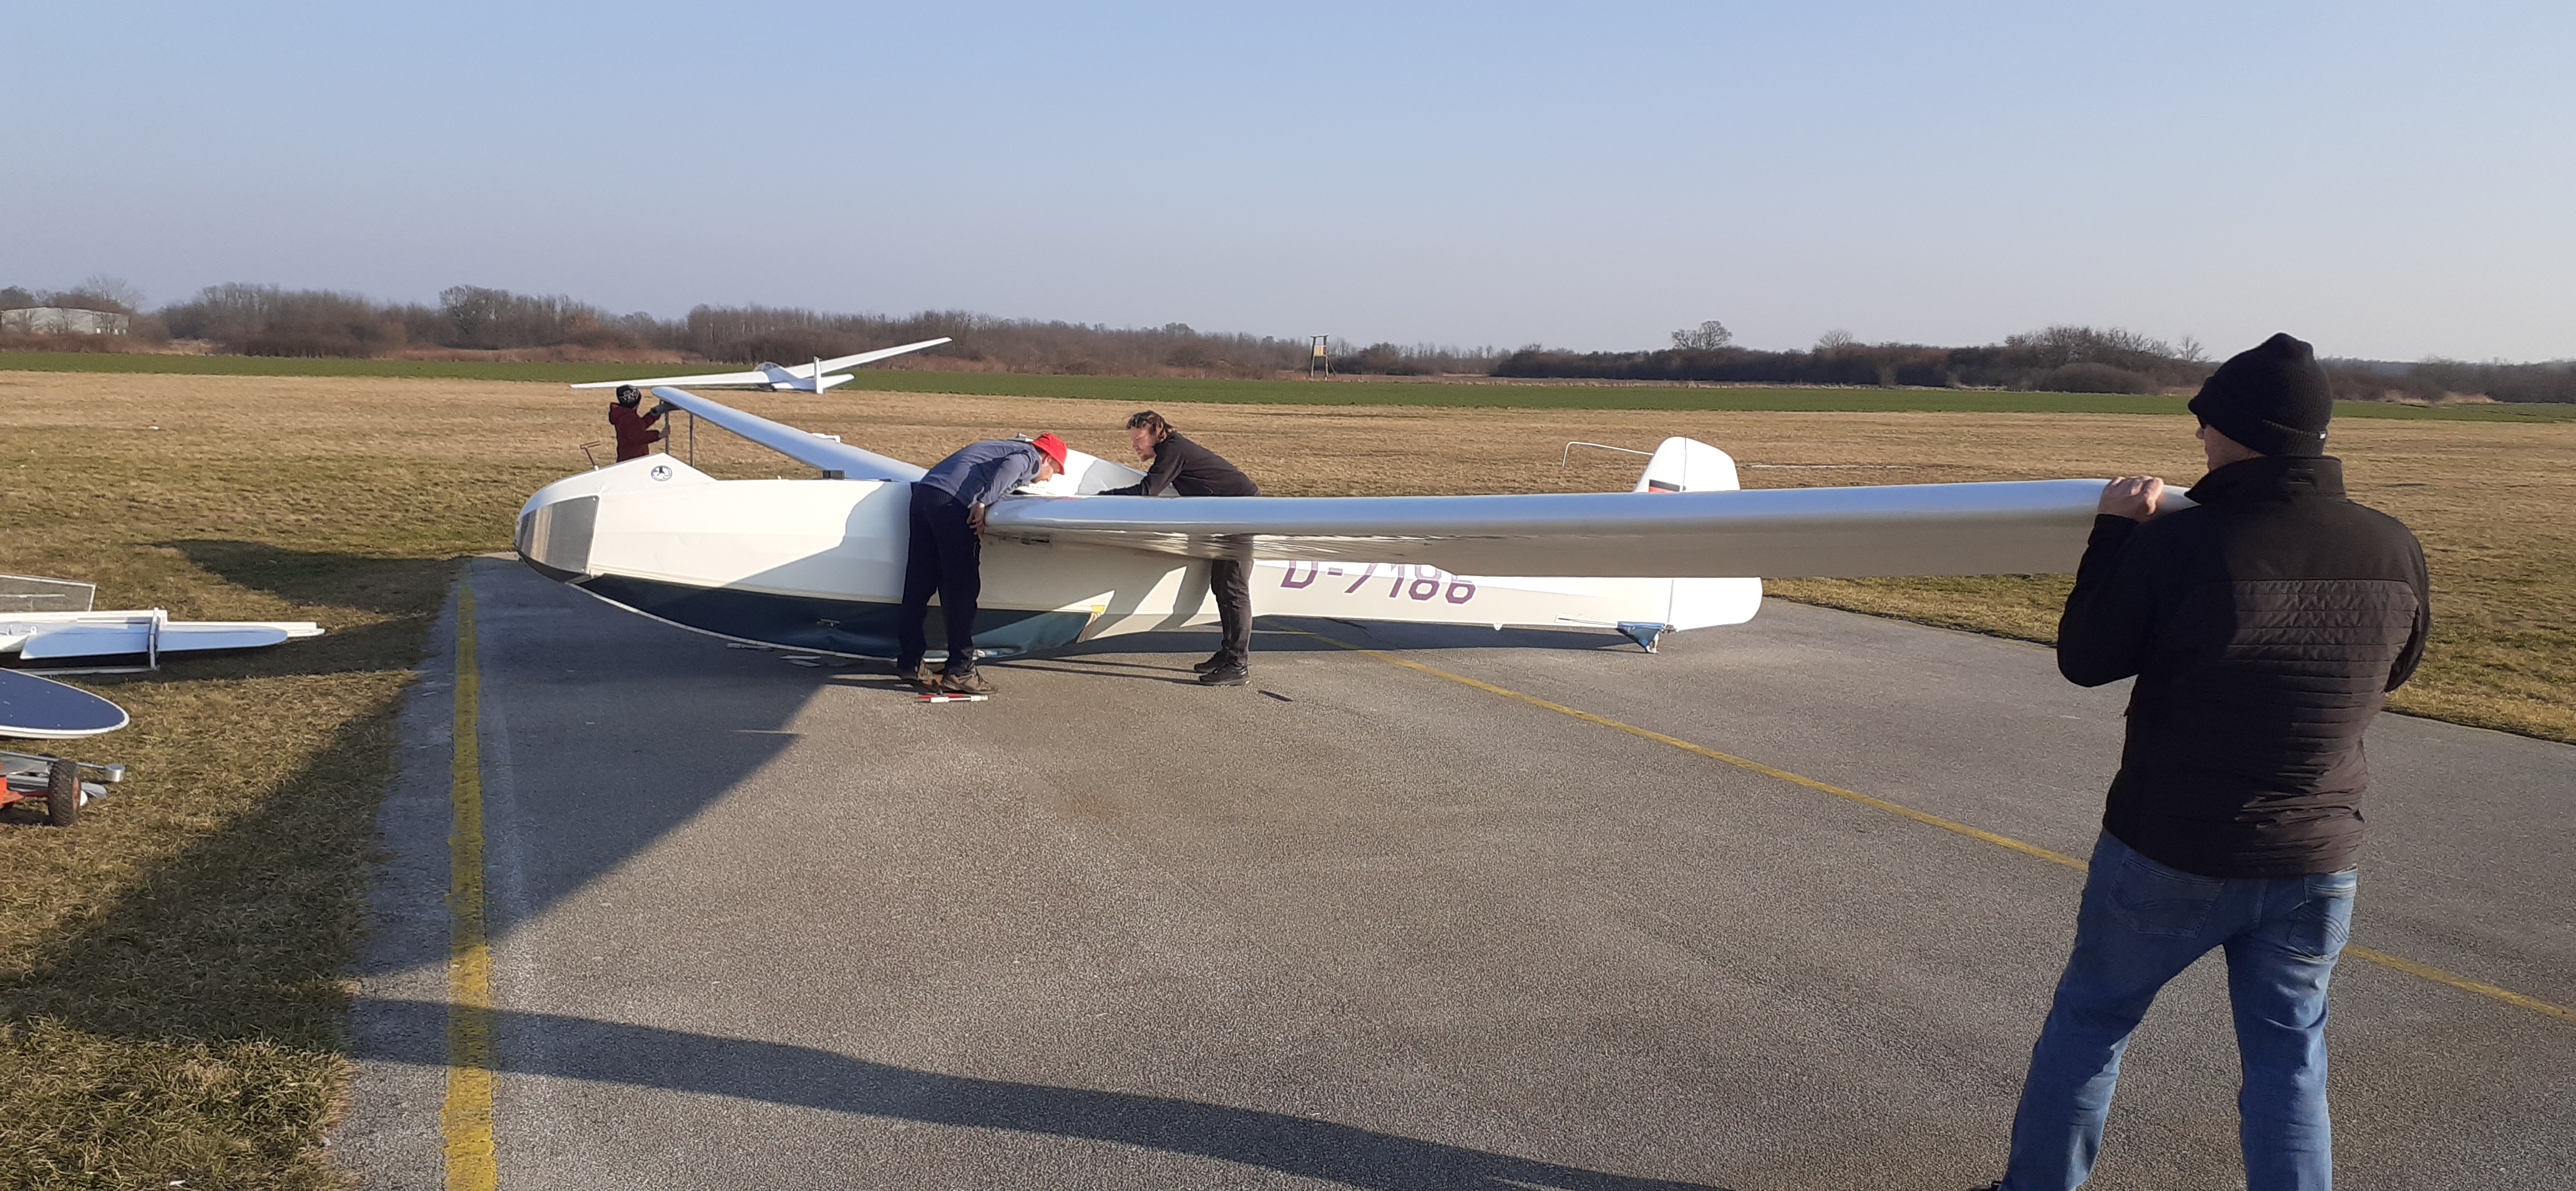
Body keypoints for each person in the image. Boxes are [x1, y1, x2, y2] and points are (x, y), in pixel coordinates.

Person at [1976, 333, 2430, 1191]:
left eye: (2206, 423)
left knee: (2091, 1024)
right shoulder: (2394, 546)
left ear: (2239, 431)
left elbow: (2086, 655)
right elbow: (2396, 669)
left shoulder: (2186, 543)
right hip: (2318, 855)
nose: (2198, 440)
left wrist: (2113, 537)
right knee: (2290, 1059)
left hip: (2170, 848)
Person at [1096, 410, 1261, 686]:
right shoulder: (1172, 449)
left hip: (1241, 513)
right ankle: (1228, 653)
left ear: (1155, 433)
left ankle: (1237, 665)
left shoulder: (1173, 450)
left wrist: (1099, 499)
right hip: (1227, 516)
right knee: (1221, 586)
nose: (1134, 446)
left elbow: (1147, 491)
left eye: (1138, 439)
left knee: (1233, 589)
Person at [895, 433, 1066, 695]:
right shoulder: (1029, 456)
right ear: (1046, 457)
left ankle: (910, 662)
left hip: (924, 495)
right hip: (952, 505)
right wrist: (985, 502)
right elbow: (1013, 468)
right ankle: (961, 671)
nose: (1048, 478)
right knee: (962, 590)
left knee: (920, 583)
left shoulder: (998, 447)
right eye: (1053, 470)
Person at [608, 385, 666, 462]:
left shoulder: (625, 415)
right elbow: (639, 437)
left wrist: (654, 414)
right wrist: (659, 435)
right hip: (632, 460)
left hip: (629, 458)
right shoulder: (629, 418)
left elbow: (639, 426)